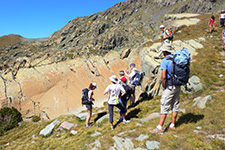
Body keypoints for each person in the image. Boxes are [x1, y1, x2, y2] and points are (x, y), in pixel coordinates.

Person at [150, 43, 180, 134]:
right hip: (178, 85)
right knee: (175, 104)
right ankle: (173, 124)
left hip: (169, 86)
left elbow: (163, 76)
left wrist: (164, 86)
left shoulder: (165, 61)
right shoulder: (176, 58)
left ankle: (160, 127)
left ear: (164, 51)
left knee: (164, 106)